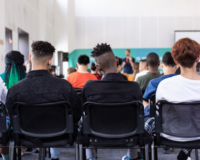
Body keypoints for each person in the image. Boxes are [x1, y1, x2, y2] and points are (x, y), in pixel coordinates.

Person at [5, 41, 82, 160]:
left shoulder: (14, 90)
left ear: (30, 57)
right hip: (60, 135)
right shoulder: (65, 86)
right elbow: (77, 114)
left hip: (25, 136)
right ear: (50, 60)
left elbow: (11, 115)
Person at [82, 43, 142, 160]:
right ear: (116, 60)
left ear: (98, 67)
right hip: (129, 135)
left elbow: (83, 112)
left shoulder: (89, 87)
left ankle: (91, 157)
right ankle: (132, 156)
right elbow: (139, 112)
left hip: (95, 135)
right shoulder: (134, 87)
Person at [146, 38, 200, 160]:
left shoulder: (165, 85)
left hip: (169, 135)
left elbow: (159, 115)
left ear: (176, 60)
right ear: (198, 58)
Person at [0, 51, 26, 160]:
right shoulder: (30, 79)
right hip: (29, 125)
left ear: (5, 63)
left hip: (3, 127)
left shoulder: (0, 79)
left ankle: (6, 158)